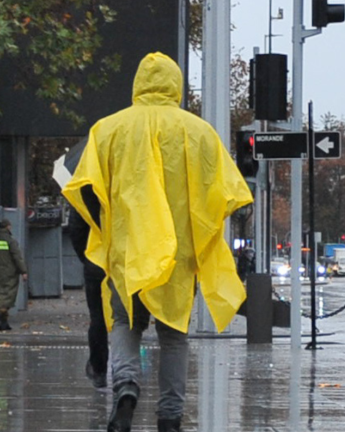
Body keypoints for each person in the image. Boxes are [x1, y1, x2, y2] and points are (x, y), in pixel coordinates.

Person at [63, 52, 253, 432]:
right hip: (178, 256)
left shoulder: (108, 130)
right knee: (174, 336)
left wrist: (102, 229)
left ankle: (127, 387)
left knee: (124, 322)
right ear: (176, 85)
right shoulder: (198, 132)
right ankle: (170, 416)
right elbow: (227, 192)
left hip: (127, 251)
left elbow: (84, 188)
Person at [68, 208, 108, 388]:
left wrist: (87, 256)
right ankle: (128, 374)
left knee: (98, 318)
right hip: (125, 260)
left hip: (96, 261)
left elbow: (76, 227)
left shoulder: (85, 184)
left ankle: (99, 370)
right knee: (125, 319)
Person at [0, 219, 28, 331]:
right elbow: (17, 257)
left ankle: (3, 324)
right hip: (8, 272)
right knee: (7, 297)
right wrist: (23, 271)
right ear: (8, 227)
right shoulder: (10, 241)